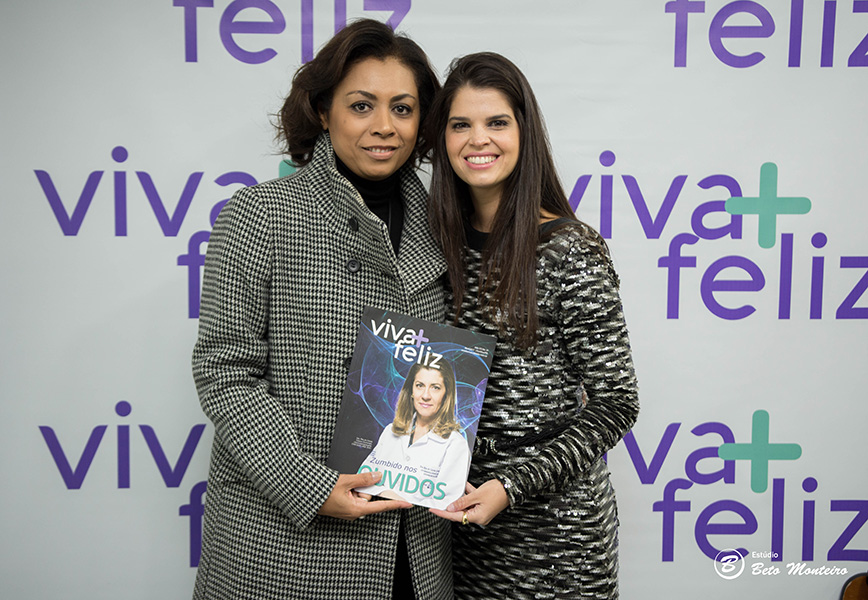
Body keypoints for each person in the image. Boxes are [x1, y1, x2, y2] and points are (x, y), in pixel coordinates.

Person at [191, 19, 452, 600]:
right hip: (286, 543)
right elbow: (224, 372)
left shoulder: (445, 224)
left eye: (403, 108)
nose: (384, 126)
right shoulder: (260, 215)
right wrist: (309, 487)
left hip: (414, 542)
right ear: (323, 111)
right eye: (362, 106)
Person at [425, 52, 640, 599]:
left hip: (558, 542)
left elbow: (617, 403)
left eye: (497, 122)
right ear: (441, 139)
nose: (479, 140)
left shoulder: (571, 248)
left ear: (525, 132)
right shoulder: (431, 247)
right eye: (460, 125)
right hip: (458, 529)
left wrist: (511, 485)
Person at [358, 359, 470, 508]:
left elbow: (448, 503)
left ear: (446, 395)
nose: (425, 395)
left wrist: (391, 496)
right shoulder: (390, 431)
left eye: (435, 388)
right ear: (411, 390)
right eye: (419, 385)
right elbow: (364, 478)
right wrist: (382, 492)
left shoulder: (456, 445)